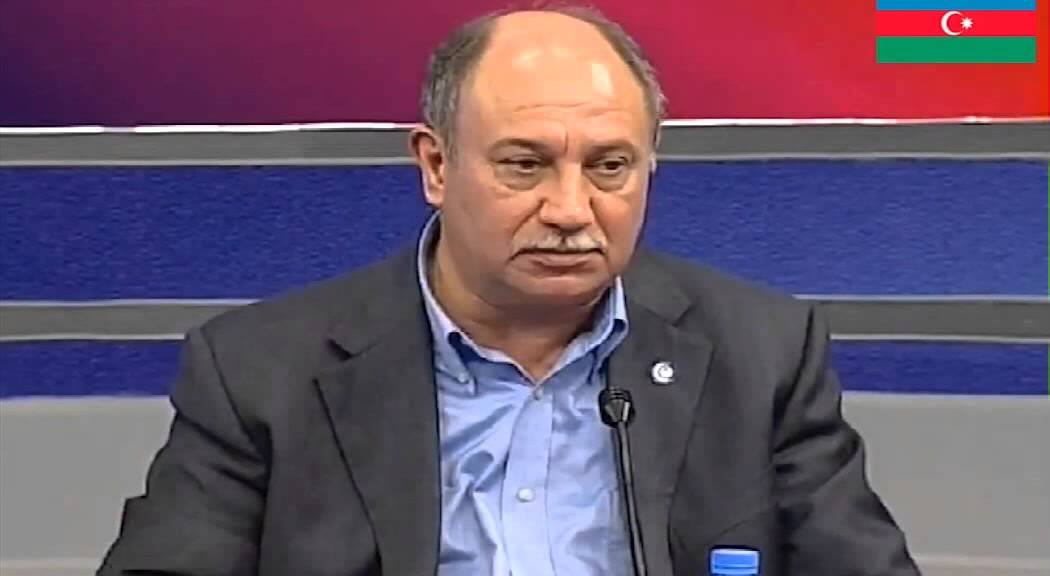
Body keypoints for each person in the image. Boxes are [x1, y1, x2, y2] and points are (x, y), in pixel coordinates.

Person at [99, 7, 920, 576]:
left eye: (609, 167)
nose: (570, 210)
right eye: (525, 165)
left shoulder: (761, 355)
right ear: (436, 166)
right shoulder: (259, 373)